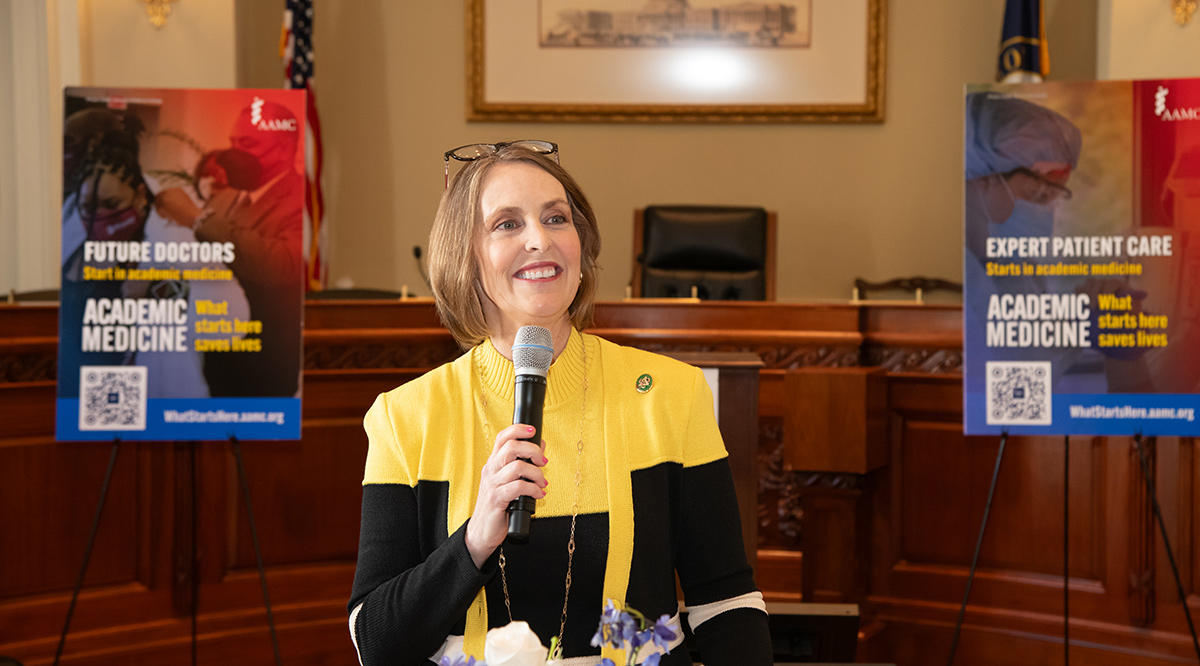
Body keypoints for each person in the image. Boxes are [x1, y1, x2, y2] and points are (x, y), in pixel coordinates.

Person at [347, 142, 772, 666]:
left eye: (556, 218)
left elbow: (725, 602)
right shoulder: (404, 418)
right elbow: (375, 640)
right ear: (465, 256)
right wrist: (475, 539)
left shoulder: (672, 395)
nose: (539, 240)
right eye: (507, 224)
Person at [155, 98, 305, 397]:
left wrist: (198, 219)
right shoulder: (226, 196)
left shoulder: (298, 200)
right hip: (212, 352)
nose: (233, 154)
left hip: (265, 362)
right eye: (232, 142)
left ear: (285, 150)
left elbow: (285, 264)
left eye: (247, 143)